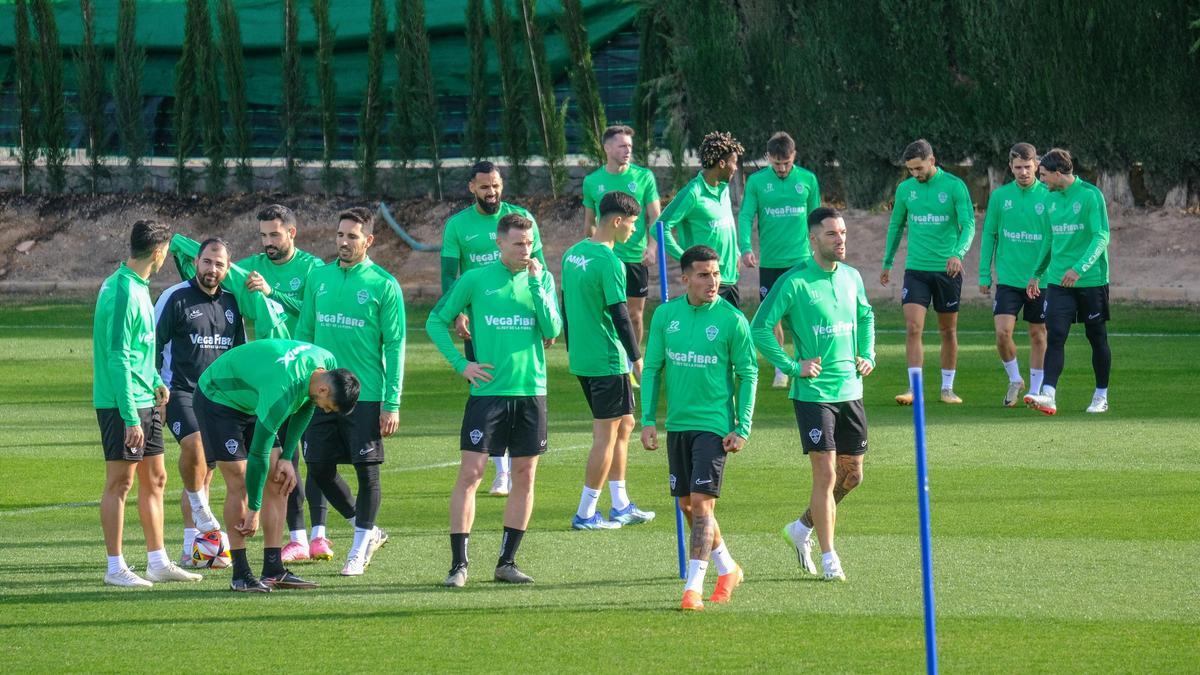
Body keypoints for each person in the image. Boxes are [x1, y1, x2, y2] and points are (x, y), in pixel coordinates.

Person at [426, 213, 562, 588]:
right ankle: (458, 565)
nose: (526, 249)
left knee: (525, 475)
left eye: (530, 242)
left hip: (531, 391)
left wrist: (536, 284)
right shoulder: (475, 279)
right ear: (499, 244)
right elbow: (436, 321)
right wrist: (461, 364)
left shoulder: (542, 278)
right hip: (487, 393)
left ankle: (507, 562)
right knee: (471, 474)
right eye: (518, 243)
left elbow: (552, 328)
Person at [751, 208, 876, 582]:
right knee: (824, 474)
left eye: (843, 233)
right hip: (813, 394)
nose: (841, 240)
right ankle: (829, 557)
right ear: (814, 240)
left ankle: (802, 527)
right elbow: (759, 329)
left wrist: (867, 353)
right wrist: (792, 367)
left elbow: (867, 316)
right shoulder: (793, 282)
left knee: (852, 476)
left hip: (850, 390)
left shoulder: (852, 277)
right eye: (832, 235)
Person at [640, 245, 758, 611]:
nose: (713, 281)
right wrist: (647, 420)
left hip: (714, 426)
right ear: (685, 278)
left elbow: (748, 372)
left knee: (702, 505)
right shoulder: (665, 316)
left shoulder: (731, 319)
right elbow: (652, 369)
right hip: (678, 425)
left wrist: (743, 426)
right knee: (687, 505)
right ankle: (728, 568)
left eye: (716, 273)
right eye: (704, 274)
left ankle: (692, 588)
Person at [194, 339, 359, 592]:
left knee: (281, 479)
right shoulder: (282, 390)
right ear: (325, 390)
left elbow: (306, 405)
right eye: (330, 407)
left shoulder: (327, 363)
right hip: (219, 398)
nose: (326, 411)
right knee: (239, 481)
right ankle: (240, 574)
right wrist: (254, 510)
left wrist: (287, 457)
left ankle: (273, 569)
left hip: (254, 397)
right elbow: (258, 453)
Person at [296, 207, 405, 576]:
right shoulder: (319, 278)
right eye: (340, 235)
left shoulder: (383, 284)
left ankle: (357, 551)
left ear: (368, 241)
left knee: (367, 473)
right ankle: (369, 530)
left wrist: (391, 403)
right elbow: (305, 336)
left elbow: (394, 346)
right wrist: (301, 387)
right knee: (319, 468)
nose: (344, 242)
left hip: (367, 395)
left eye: (352, 236)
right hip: (322, 395)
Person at [94, 219, 202, 587]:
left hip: (145, 399)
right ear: (158, 252)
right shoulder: (122, 290)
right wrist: (129, 417)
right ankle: (115, 568)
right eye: (167, 252)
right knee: (121, 483)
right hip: (122, 404)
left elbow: (140, 350)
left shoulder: (140, 286)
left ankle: (158, 561)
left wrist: (156, 381)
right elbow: (118, 356)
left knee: (156, 478)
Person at [441, 161, 548, 496]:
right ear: (472, 187)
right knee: (486, 384)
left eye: (496, 185)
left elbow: (539, 264)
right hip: (479, 319)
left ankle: (509, 469)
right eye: (485, 187)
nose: (492, 192)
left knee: (514, 382)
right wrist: (458, 313)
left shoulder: (521, 219)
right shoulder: (458, 225)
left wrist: (543, 308)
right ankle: (499, 470)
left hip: (520, 312)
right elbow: (449, 273)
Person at [238, 204, 328, 562]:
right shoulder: (252, 267)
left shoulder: (312, 268)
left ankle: (320, 534)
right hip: (272, 381)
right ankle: (298, 536)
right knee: (282, 458)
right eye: (262, 235)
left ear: (293, 233)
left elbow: (311, 310)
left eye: (274, 234)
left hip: (309, 377)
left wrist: (272, 294)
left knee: (315, 455)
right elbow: (242, 307)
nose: (268, 242)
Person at [562, 192, 655, 530]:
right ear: (617, 221)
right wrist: (637, 359)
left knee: (625, 424)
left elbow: (565, 305)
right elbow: (621, 314)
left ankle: (620, 503)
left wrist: (573, 347)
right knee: (606, 434)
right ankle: (586, 513)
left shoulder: (573, 255)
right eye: (631, 225)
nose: (633, 232)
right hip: (606, 359)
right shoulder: (609, 261)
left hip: (584, 358)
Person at [154, 237, 245, 567]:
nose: (212, 269)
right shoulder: (174, 298)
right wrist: (155, 390)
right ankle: (206, 527)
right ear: (196, 262)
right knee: (194, 448)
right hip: (179, 390)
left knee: (205, 473)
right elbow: (151, 343)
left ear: (227, 269)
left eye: (219, 264)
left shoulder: (232, 304)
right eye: (207, 262)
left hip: (218, 398)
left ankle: (195, 547)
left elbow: (237, 356)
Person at [881, 139, 975, 405]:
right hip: (917, 271)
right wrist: (887, 262)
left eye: (918, 168)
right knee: (913, 327)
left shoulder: (955, 187)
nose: (915, 174)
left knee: (948, 331)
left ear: (932, 161)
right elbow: (896, 226)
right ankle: (914, 388)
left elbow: (968, 225)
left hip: (947, 271)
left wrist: (958, 253)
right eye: (910, 170)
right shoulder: (905, 190)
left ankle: (947, 388)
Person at [1024, 148, 1112, 415]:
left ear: (1059, 174)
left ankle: (1101, 395)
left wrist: (1080, 269)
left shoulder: (1089, 196)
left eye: (1044, 175)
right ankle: (1049, 394)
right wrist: (1036, 273)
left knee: (1096, 337)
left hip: (1091, 280)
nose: (1041, 181)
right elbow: (1050, 240)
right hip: (1058, 282)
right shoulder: (1050, 200)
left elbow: (1101, 237)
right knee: (1056, 335)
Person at [738, 131, 822, 389]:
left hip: (801, 261)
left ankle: (811, 362)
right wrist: (745, 248)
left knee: (805, 313)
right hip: (771, 263)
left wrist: (820, 252)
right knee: (771, 318)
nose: (782, 168)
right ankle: (780, 368)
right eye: (776, 164)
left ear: (794, 156)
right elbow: (745, 216)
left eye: (786, 163)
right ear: (768, 159)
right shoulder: (756, 182)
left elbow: (817, 219)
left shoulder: (808, 180)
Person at [978, 144, 1050, 406]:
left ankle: (1035, 390)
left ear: (1036, 166)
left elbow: (1053, 240)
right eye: (1018, 167)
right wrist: (984, 274)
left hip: (1039, 279)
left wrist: (1044, 274)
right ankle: (1015, 379)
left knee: (1038, 334)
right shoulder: (1000, 197)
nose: (1023, 172)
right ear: (1011, 167)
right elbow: (989, 235)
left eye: (1027, 167)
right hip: (1008, 278)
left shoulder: (1047, 196)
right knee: (1002, 333)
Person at [581, 125, 662, 349]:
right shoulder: (592, 181)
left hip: (636, 258)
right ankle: (610, 357)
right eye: (622, 145)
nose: (628, 150)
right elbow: (590, 223)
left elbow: (656, 217)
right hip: (605, 257)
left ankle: (631, 363)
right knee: (605, 312)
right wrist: (591, 250)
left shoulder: (644, 177)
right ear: (607, 148)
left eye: (630, 146)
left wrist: (653, 248)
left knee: (634, 315)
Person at [660, 131, 745, 308]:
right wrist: (686, 259)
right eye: (734, 163)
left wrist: (736, 251)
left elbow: (727, 224)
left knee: (732, 334)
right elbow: (660, 228)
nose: (736, 168)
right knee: (707, 334)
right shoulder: (693, 193)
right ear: (722, 164)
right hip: (707, 280)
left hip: (730, 277)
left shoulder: (724, 189)